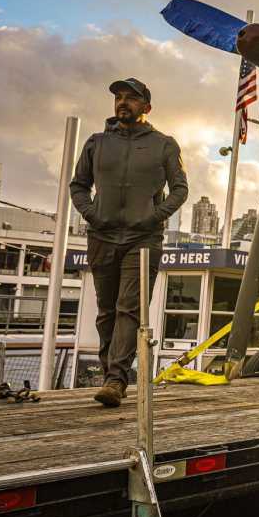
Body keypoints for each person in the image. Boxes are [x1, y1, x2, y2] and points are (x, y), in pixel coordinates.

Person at [70, 77, 188, 408]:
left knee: (129, 307)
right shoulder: (96, 143)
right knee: (106, 310)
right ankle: (112, 376)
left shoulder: (165, 144)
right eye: (119, 98)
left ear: (146, 108)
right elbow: (78, 185)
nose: (123, 102)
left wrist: (153, 217)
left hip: (143, 238)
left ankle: (116, 378)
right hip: (102, 235)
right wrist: (92, 214)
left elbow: (180, 188)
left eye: (131, 99)